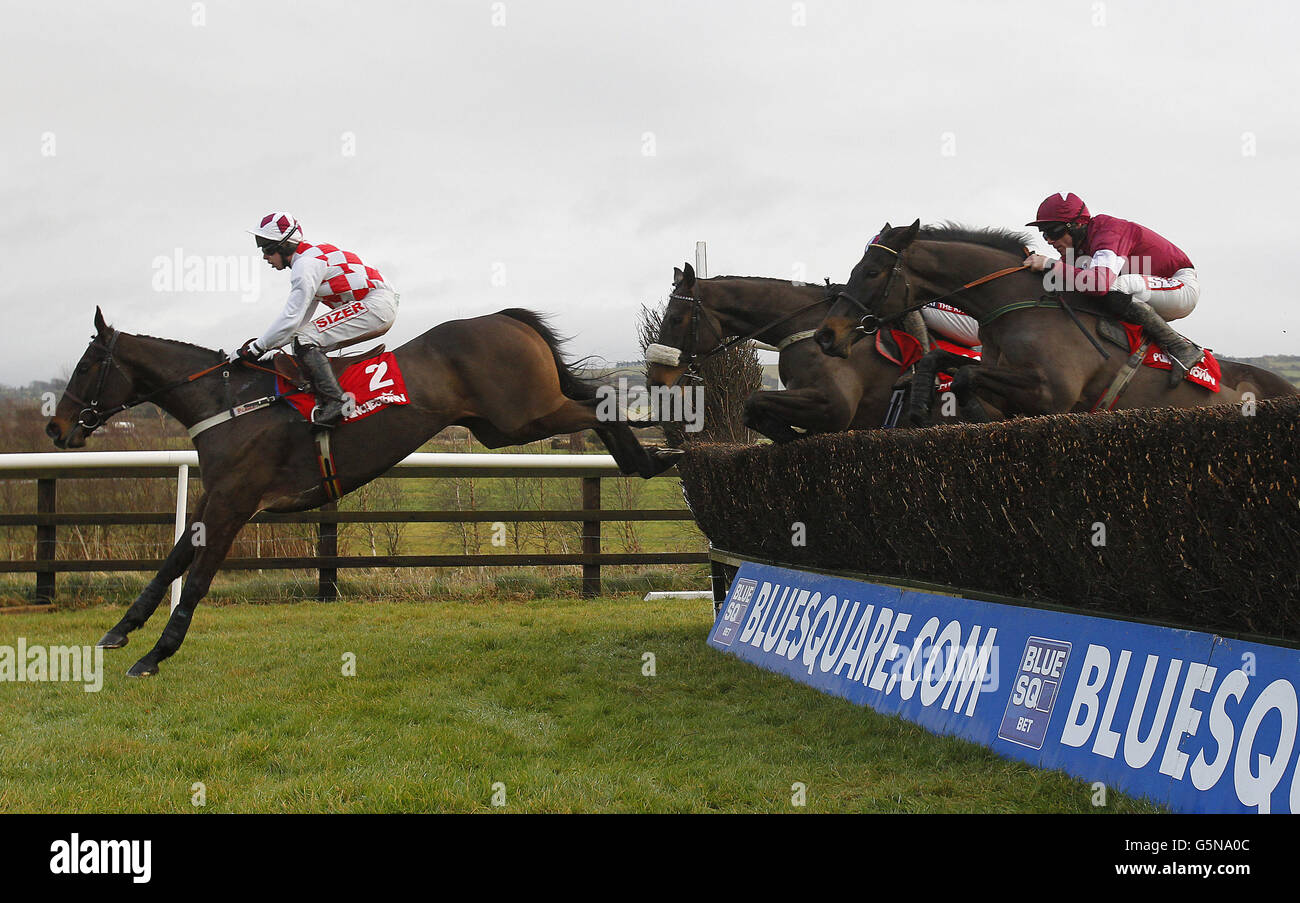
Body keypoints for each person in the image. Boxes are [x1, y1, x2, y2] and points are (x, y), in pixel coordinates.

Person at [233, 212, 399, 427]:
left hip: (375, 304)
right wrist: (268, 347)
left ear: (284, 246)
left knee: (303, 340)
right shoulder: (311, 257)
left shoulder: (305, 266)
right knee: (302, 341)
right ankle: (324, 397)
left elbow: (291, 317)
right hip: (377, 303)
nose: (265, 257)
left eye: (267, 249)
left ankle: (336, 401)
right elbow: (298, 322)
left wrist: (255, 348)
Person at [1023, 192, 1201, 382]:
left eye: (1053, 231)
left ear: (1077, 225)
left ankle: (1181, 347)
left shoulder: (1109, 232)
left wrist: (1049, 264)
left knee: (1112, 286)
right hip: (1145, 294)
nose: (1049, 240)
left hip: (1180, 287)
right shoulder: (1077, 249)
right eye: (1044, 234)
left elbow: (1099, 284)